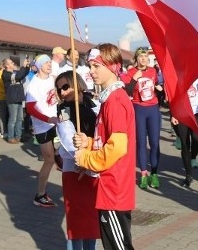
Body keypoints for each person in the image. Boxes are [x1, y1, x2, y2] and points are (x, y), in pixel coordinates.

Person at [73, 43, 136, 250]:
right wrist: (89, 143)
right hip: (108, 188)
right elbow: (107, 141)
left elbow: (117, 148)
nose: (91, 71)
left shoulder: (116, 101)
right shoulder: (109, 99)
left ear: (112, 67)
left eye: (96, 66)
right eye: (90, 66)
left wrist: (86, 159)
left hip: (113, 188)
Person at [56, 71, 100, 250]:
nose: (62, 92)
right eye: (59, 90)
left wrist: (91, 157)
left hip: (94, 166)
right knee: (76, 224)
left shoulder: (95, 103)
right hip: (74, 170)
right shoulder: (63, 110)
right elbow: (67, 139)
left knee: (92, 222)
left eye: (65, 87)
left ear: (78, 84)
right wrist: (81, 158)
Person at [25, 55, 61, 207]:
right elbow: (30, 108)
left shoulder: (52, 79)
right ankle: (40, 195)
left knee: (60, 155)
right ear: (39, 66)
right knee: (49, 160)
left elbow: (56, 97)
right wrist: (47, 119)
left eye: (50, 62)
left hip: (54, 124)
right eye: (46, 63)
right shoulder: (34, 84)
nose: (49, 65)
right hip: (42, 126)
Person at [124, 47, 163, 189]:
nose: (143, 59)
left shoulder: (153, 71)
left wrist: (160, 87)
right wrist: (134, 79)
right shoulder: (131, 72)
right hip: (138, 108)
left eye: (145, 56)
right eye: (140, 56)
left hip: (153, 108)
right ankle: (144, 175)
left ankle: (154, 173)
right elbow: (127, 91)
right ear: (136, 58)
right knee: (141, 142)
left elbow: (157, 84)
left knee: (154, 142)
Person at [171, 75, 198, 188]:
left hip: (197, 111)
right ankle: (188, 176)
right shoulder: (177, 74)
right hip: (182, 112)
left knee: (196, 138)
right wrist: (173, 113)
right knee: (185, 144)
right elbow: (172, 94)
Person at [2, 57, 30, 144]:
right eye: (11, 62)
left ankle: (18, 136)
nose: (13, 63)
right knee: (13, 119)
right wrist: (22, 66)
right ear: (7, 65)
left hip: (19, 98)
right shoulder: (5, 74)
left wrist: (27, 66)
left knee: (19, 119)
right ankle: (11, 137)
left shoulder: (14, 72)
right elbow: (18, 76)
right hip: (12, 99)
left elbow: (24, 74)